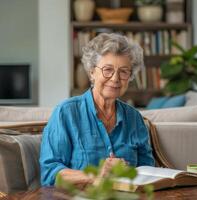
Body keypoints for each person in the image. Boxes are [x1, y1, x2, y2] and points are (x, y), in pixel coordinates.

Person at [39, 33, 155, 187]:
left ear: (130, 76)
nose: (115, 78)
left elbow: (148, 171)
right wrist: (94, 175)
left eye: (123, 71)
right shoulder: (65, 113)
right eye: (107, 70)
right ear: (92, 72)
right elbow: (50, 174)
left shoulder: (134, 118)